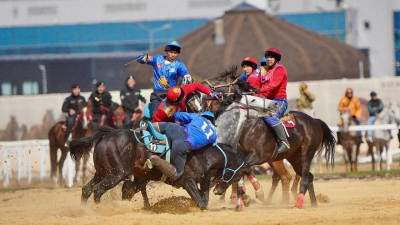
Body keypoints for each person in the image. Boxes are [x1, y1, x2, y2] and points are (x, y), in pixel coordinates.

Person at [147, 111, 217, 180]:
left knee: (161, 126)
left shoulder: (198, 117)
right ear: (213, 121)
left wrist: (181, 123)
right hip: (183, 144)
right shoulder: (214, 135)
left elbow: (178, 115)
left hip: (176, 129)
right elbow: (211, 147)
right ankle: (155, 160)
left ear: (203, 116)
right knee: (178, 173)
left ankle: (142, 128)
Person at [136, 41, 192, 118]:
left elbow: (184, 72)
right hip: (157, 95)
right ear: (167, 51)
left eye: (175, 53)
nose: (173, 55)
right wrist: (143, 58)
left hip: (172, 96)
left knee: (175, 117)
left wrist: (187, 76)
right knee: (156, 116)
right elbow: (138, 59)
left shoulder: (179, 64)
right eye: (171, 52)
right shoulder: (157, 58)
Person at [253, 48, 290, 154]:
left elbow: (274, 85)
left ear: (276, 59)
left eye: (271, 57)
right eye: (267, 57)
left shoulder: (280, 69)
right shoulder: (267, 71)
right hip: (267, 101)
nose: (268, 59)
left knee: (269, 116)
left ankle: (284, 141)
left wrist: (260, 90)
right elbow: (258, 86)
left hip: (279, 101)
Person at [152, 83, 219, 123]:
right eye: (181, 97)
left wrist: (210, 93)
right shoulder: (164, 110)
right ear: (175, 101)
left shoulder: (183, 90)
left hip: (183, 113)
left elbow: (196, 85)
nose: (184, 96)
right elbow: (154, 122)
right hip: (171, 122)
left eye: (183, 94)